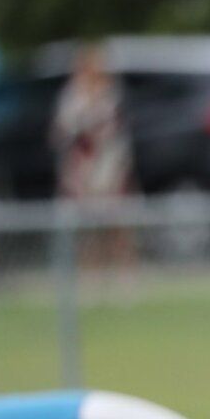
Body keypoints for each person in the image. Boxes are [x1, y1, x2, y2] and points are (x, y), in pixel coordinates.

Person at [51, 43, 137, 280]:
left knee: (117, 224)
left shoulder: (111, 94)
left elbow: (115, 131)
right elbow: (63, 129)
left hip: (108, 167)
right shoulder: (71, 95)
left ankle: (124, 274)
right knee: (86, 228)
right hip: (82, 170)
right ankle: (90, 275)